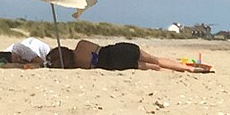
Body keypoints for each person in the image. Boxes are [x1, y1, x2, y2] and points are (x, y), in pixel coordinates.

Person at [58, 38, 210, 73]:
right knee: (156, 59)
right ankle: (188, 69)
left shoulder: (78, 65)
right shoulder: (81, 45)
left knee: (154, 68)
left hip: (115, 63)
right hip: (117, 50)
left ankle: (180, 71)